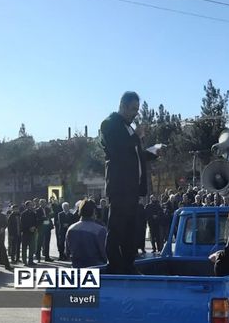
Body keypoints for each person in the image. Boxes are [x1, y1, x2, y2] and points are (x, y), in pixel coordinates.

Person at [100, 91, 159, 274]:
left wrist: (152, 153)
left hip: (133, 188)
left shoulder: (130, 129)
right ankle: (114, 265)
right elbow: (117, 150)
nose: (135, 113)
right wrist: (137, 137)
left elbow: (134, 155)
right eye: (133, 109)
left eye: (137, 109)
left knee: (130, 230)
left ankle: (128, 264)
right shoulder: (109, 124)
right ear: (123, 106)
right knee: (116, 228)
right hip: (119, 187)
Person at [66, 200, 108, 268]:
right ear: (94, 212)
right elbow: (105, 254)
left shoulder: (70, 229)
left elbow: (67, 252)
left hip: (77, 268)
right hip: (97, 269)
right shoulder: (100, 230)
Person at [20, 200, 38, 266]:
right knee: (24, 248)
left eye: (31, 205)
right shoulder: (23, 214)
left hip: (32, 233)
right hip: (25, 233)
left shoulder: (34, 213)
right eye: (29, 205)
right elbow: (22, 224)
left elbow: (36, 222)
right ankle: (24, 261)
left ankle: (31, 261)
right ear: (26, 206)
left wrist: (34, 227)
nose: (31, 206)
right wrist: (28, 228)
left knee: (31, 248)